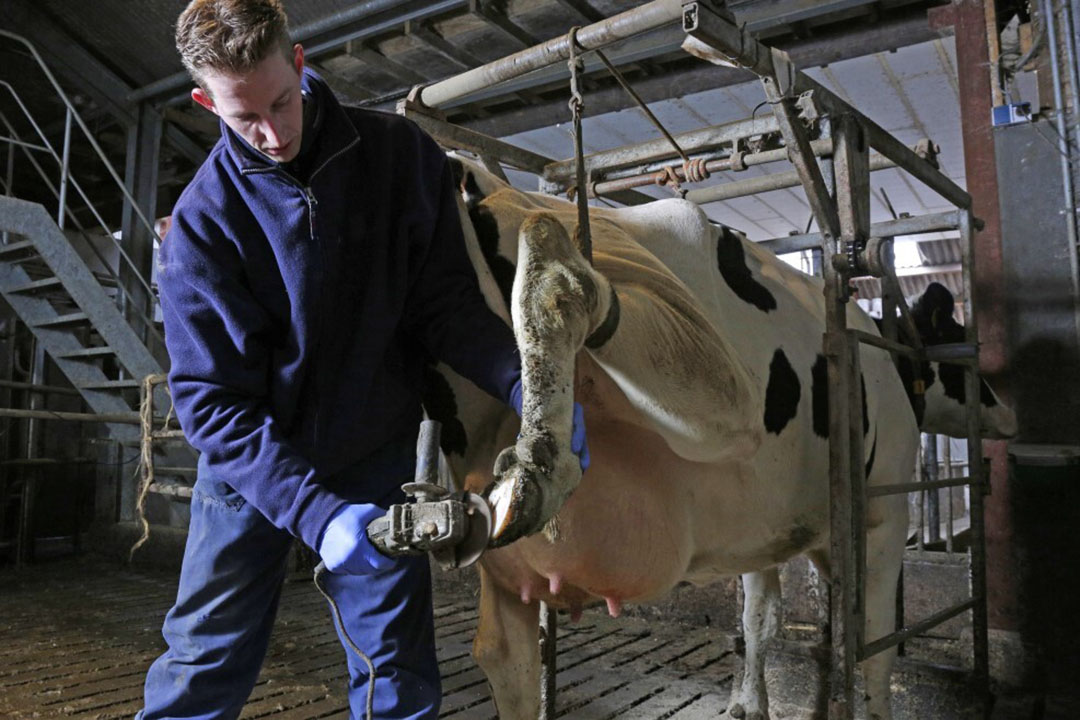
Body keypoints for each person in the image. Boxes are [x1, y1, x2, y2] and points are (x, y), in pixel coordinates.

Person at [137, 2, 587, 719]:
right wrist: (315, 515)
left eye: (282, 101)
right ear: (203, 103)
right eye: (243, 117)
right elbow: (211, 404)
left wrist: (537, 393)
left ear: (301, 63)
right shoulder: (201, 226)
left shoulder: (399, 158)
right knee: (206, 655)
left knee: (396, 669)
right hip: (255, 463)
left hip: (375, 448)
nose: (273, 132)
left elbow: (447, 310)